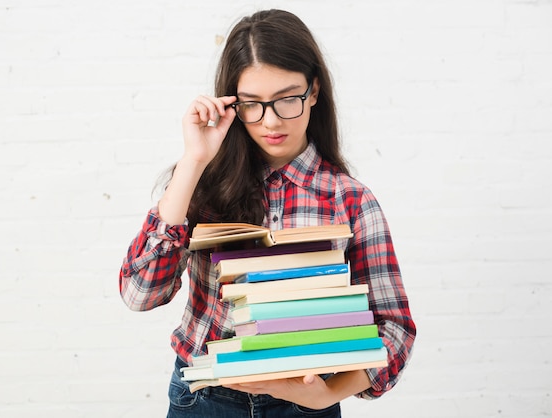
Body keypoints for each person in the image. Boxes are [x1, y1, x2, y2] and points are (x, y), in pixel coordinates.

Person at [119, 9, 416, 417]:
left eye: (287, 99)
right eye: (252, 104)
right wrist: (193, 162)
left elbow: (394, 331)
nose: (271, 121)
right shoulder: (200, 187)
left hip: (304, 405)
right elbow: (139, 293)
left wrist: (326, 396)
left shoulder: (350, 200)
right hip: (204, 401)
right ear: (231, 103)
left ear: (314, 91)